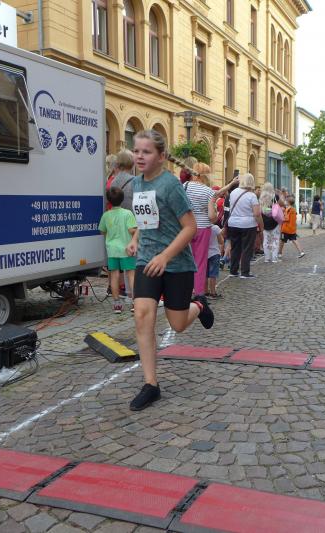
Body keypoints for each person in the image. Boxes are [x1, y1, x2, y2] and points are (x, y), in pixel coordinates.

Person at [127, 130, 214, 411]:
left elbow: (191, 227)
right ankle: (151, 384)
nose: (140, 156)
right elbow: (146, 220)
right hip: (146, 260)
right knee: (142, 316)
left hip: (176, 263)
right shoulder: (136, 184)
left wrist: (165, 256)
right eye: (136, 151)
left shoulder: (170, 185)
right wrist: (135, 239)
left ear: (161, 156)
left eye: (146, 151)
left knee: (177, 324)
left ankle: (199, 305)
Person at [99, 187, 138, 314]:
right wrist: (139, 230)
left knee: (114, 275)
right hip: (127, 249)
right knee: (131, 274)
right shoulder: (128, 213)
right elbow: (132, 230)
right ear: (122, 199)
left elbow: (102, 231)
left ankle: (117, 304)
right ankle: (134, 302)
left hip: (112, 250)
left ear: (109, 201)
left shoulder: (106, 215)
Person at [185, 163, 217, 295]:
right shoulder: (209, 191)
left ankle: (185, 290)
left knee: (186, 259)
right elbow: (211, 216)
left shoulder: (184, 186)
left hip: (186, 226)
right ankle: (198, 292)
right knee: (200, 261)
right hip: (203, 228)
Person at [227, 173, 262, 278]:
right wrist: (260, 224)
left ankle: (233, 270)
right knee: (247, 248)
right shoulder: (252, 195)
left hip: (233, 223)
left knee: (235, 247)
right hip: (248, 224)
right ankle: (245, 272)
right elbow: (256, 213)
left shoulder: (233, 192)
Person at [260, 185, 281, 263]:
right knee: (275, 239)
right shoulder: (275, 196)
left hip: (264, 221)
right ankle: (274, 258)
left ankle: (267, 258)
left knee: (266, 240)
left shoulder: (261, 198)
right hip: (274, 221)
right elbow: (281, 204)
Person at [206, 223, 223, 299]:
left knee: (205, 274)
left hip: (204, 253)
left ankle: (205, 292)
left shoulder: (200, 226)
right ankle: (213, 293)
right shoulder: (215, 228)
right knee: (213, 274)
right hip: (214, 253)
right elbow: (221, 241)